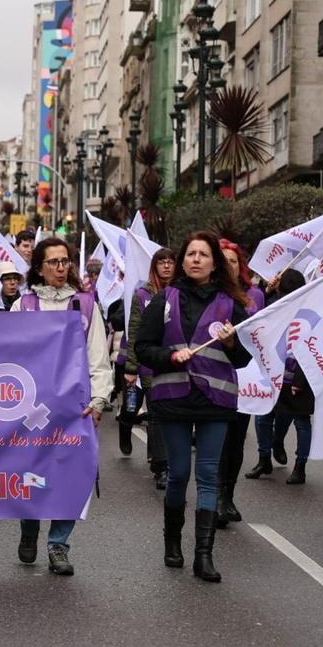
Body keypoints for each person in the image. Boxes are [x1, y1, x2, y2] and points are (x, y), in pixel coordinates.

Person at [135, 231, 251, 583]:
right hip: (173, 400)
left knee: (208, 474)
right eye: (190, 254)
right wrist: (169, 356)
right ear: (183, 261)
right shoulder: (163, 299)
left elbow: (244, 359)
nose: (196, 259)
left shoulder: (232, 304)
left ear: (215, 262)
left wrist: (232, 343)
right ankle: (173, 543)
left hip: (216, 400)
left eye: (203, 254)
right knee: (179, 473)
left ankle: (204, 555)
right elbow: (143, 347)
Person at [12, 237, 111, 576]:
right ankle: (29, 526)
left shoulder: (85, 305)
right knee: (31, 473)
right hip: (31, 409)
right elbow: (6, 356)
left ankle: (58, 544)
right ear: (38, 267)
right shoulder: (22, 307)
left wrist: (99, 400)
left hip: (74, 409)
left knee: (71, 474)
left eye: (65, 261)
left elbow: (98, 357)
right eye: (52, 261)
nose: (60, 267)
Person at [214, 239, 263, 528]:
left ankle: (228, 495)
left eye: (233, 261)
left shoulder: (253, 296)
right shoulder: (210, 296)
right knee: (217, 439)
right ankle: (217, 497)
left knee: (235, 440)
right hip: (216, 376)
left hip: (246, 377)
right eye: (223, 260)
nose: (228, 265)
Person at [247, 270, 311, 483]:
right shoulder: (273, 307)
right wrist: (266, 292)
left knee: (300, 420)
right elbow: (255, 319)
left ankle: (299, 466)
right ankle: (264, 458)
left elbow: (314, 347)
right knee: (263, 415)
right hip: (272, 374)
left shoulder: (311, 310)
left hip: (299, 376)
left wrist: (301, 380)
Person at [124, 248, 175, 489]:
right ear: (154, 266)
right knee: (155, 415)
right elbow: (134, 330)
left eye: (170, 262)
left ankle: (173, 461)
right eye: (161, 262)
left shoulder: (181, 292)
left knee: (171, 415)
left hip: (176, 361)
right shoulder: (142, 294)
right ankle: (161, 466)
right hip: (149, 364)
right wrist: (131, 366)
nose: (166, 266)